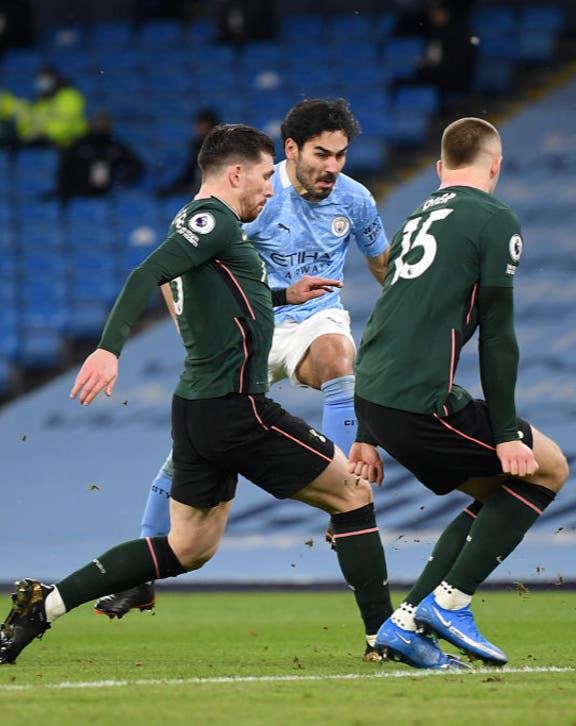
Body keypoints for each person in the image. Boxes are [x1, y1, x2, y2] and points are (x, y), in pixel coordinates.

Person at [0, 123, 445, 669]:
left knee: (186, 549)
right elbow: (147, 272)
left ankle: (40, 609)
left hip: (198, 411)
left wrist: (285, 293)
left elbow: (226, 291)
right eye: (262, 177)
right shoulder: (209, 219)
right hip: (239, 409)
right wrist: (108, 348)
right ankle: (384, 636)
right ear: (235, 174)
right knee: (352, 494)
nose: (269, 188)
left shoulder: (217, 230)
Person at [91, 98, 395, 663]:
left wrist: (405, 315)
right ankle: (140, 571)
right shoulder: (251, 191)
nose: (333, 166)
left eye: (342, 155)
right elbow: (171, 270)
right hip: (248, 326)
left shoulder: (355, 200)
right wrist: (193, 337)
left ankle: (343, 490)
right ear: (290, 152)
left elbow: (384, 267)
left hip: (311, 316)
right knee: (200, 442)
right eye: (322, 154)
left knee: (336, 356)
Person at [347, 117, 570, 668]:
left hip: (377, 395)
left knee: (496, 493)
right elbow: (498, 335)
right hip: (420, 401)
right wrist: (504, 434)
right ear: (496, 165)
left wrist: (365, 431)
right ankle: (450, 601)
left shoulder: (417, 216)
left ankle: (404, 625)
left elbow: (383, 324)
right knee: (547, 468)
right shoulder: (496, 219)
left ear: (440, 169)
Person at [55, 111, 145, 200]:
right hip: (78, 193)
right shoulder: (79, 145)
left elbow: (136, 165)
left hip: (105, 193)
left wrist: (122, 180)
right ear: (91, 124)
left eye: (104, 123)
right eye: (98, 122)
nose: (100, 126)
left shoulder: (115, 146)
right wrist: (67, 188)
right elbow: (65, 167)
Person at [0, 65, 87, 148]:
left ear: (55, 79)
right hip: (47, 145)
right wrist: (28, 131)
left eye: (44, 79)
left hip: (73, 144)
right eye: (39, 79)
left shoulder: (70, 96)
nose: (41, 83)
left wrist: (43, 131)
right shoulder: (40, 103)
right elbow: (28, 130)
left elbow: (66, 125)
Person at [156, 108, 220, 198]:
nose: (197, 128)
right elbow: (190, 172)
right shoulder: (196, 146)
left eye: (201, 125)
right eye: (197, 125)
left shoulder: (221, 147)